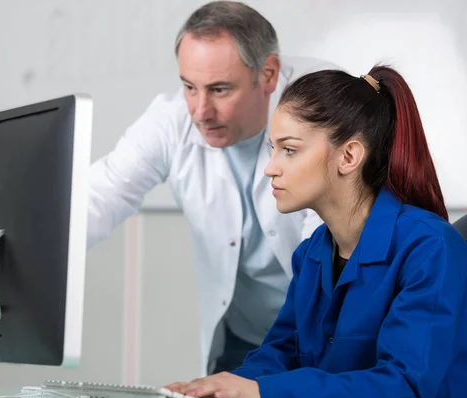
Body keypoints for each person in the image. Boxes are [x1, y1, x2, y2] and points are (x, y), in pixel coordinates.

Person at [167, 66, 467, 398]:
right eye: (273, 149)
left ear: (349, 156)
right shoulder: (312, 254)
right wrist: (222, 387)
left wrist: (262, 392)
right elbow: (281, 353)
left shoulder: (431, 250)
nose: (270, 168)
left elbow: (403, 387)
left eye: (289, 150)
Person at [87, 1, 339, 374]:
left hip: (325, 334)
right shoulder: (172, 119)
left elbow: (326, 247)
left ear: (267, 74)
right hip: (244, 339)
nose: (200, 111)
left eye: (220, 90)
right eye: (189, 87)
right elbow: (98, 196)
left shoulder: (325, 108)